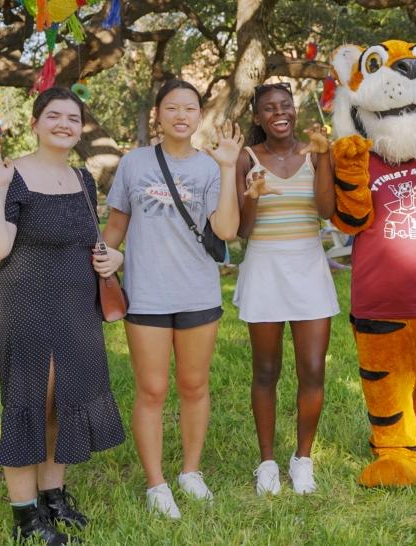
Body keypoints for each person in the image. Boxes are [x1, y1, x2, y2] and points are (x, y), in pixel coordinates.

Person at [0, 87, 125, 544]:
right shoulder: (11, 176)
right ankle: (26, 514)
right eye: (54, 116)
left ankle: (53, 496)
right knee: (32, 403)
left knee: (64, 401)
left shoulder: (83, 179)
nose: (64, 124)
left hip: (76, 308)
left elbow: (90, 241)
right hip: (27, 304)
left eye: (73, 118)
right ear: (34, 123)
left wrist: (114, 258)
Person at [103, 79, 242, 518]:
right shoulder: (134, 163)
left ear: (200, 116)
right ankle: (156, 483)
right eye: (172, 108)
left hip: (197, 291)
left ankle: (190, 472)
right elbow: (116, 227)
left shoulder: (210, 166)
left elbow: (225, 231)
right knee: (152, 388)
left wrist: (227, 168)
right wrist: (102, 263)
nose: (181, 115)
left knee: (194, 385)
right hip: (146, 294)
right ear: (158, 115)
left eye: (190, 108)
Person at [234, 81, 339, 496]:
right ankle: (267, 463)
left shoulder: (314, 152)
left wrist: (325, 156)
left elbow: (327, 210)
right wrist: (253, 197)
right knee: (266, 371)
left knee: (312, 369)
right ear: (258, 117)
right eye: (269, 108)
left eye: (286, 105)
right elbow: (241, 230)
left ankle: (303, 459)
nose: (280, 113)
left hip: (309, 268)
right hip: (264, 270)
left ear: (294, 111)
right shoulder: (247, 158)